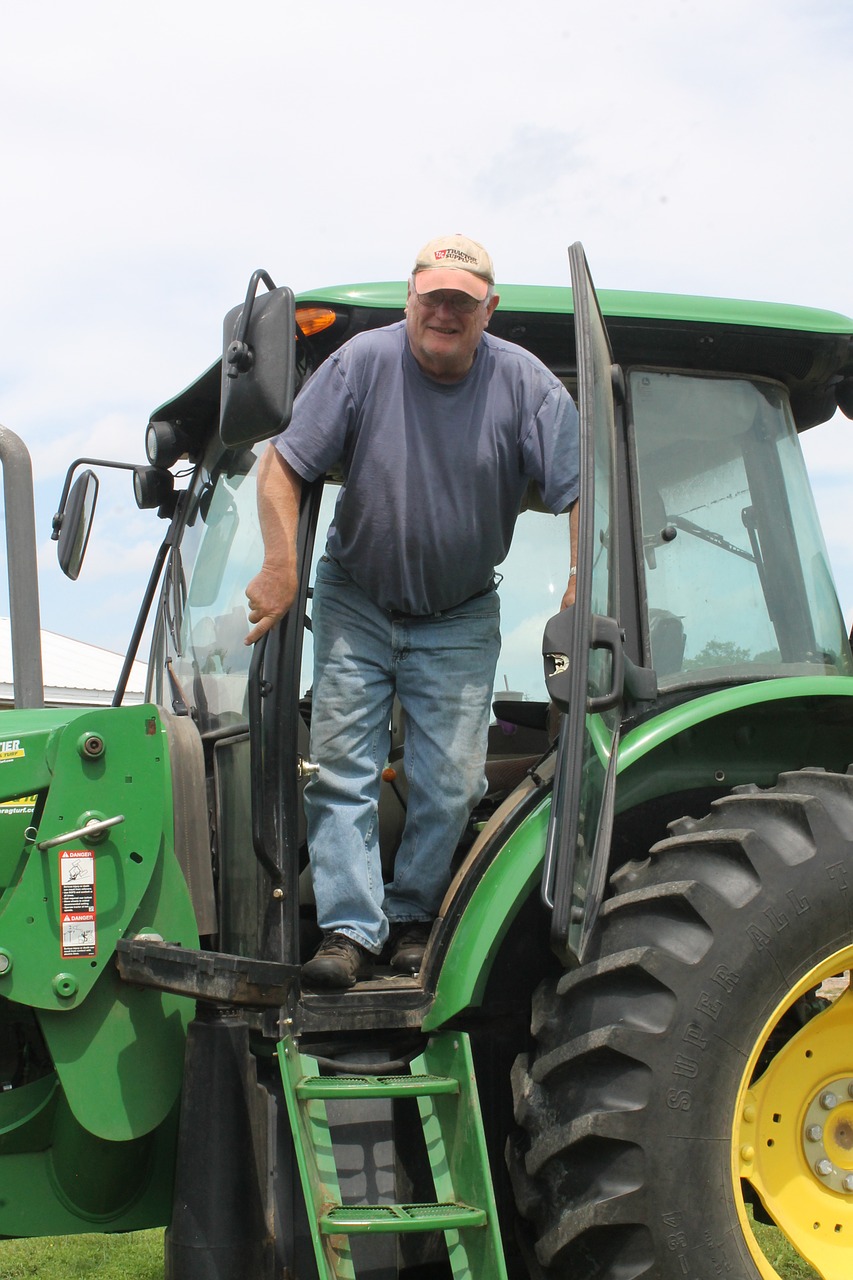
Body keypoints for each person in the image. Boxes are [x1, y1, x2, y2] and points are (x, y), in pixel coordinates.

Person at [245, 233, 579, 989]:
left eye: (462, 301)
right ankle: (348, 933)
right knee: (340, 770)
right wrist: (279, 565)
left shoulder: (526, 387)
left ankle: (413, 918)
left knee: (452, 782)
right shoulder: (362, 364)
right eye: (433, 296)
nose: (444, 311)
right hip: (356, 599)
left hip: (458, 613)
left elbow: (577, 488)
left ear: (487, 310)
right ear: (411, 299)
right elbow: (283, 464)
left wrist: (576, 583)